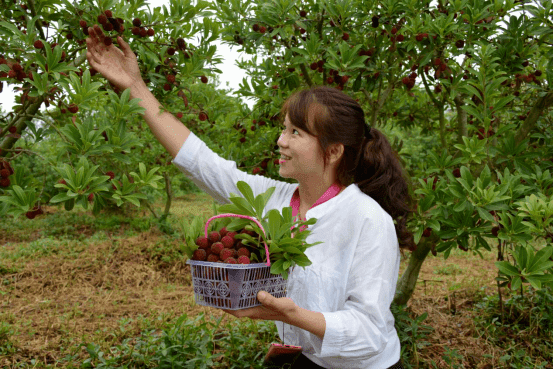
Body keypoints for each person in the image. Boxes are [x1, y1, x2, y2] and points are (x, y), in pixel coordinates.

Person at [85, 27, 415, 369]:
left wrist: (294, 315)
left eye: (295, 132)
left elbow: (369, 331)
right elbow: (201, 162)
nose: (280, 141)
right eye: (284, 128)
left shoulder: (367, 219)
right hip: (305, 359)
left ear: (332, 151)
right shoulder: (274, 201)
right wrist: (136, 87)